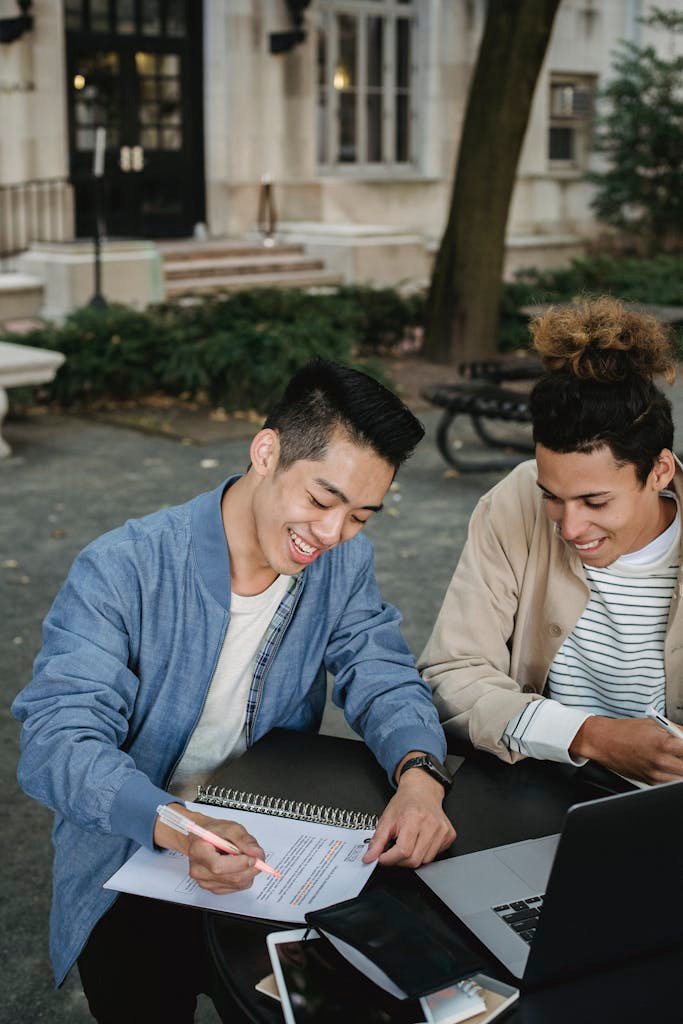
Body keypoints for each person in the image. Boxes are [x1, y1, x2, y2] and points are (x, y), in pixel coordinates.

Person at [12, 359, 455, 1022]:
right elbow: (56, 742)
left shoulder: (342, 562)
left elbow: (380, 670)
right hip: (130, 854)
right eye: (321, 500)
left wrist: (420, 774)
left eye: (361, 515)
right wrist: (179, 825)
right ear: (266, 451)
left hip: (272, 857)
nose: (332, 535)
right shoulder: (124, 567)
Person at [419, 297, 683, 785]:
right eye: (553, 497)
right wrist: (589, 735)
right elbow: (450, 673)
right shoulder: (514, 500)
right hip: (536, 785)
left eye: (595, 501)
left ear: (659, 471)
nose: (569, 527)